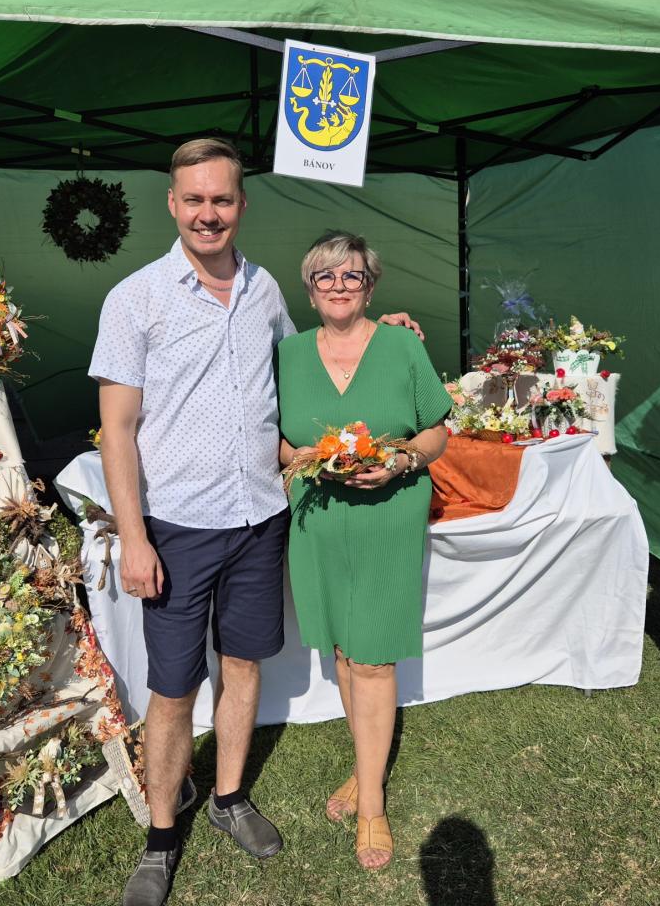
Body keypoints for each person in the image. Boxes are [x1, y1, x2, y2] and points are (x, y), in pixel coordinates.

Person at [90, 140, 419, 906]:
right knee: (173, 689)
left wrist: (378, 329)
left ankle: (229, 796)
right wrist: (133, 537)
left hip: (260, 518)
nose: (208, 213)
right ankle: (161, 837)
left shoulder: (265, 289)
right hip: (177, 525)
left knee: (243, 666)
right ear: (173, 204)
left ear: (241, 205)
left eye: (222, 199)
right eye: (194, 199)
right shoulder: (135, 299)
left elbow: (307, 362)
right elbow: (118, 429)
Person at [276, 231, 452, 871]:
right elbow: (273, 438)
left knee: (373, 657)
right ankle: (365, 765)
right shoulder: (289, 353)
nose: (339, 286)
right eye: (325, 276)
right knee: (345, 652)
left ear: (370, 287)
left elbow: (436, 429)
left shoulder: (402, 345)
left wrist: (403, 461)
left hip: (387, 516)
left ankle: (372, 803)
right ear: (310, 290)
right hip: (318, 522)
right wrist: (300, 457)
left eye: (352, 275)